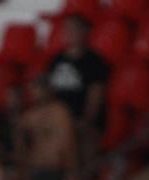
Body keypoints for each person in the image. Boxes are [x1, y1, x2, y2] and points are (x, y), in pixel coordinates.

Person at [43, 14, 109, 163]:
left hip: (81, 119)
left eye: (74, 29)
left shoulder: (94, 61)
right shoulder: (56, 60)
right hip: (59, 118)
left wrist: (86, 120)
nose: (69, 34)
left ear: (85, 32)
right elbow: (49, 92)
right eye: (67, 30)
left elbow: (96, 95)